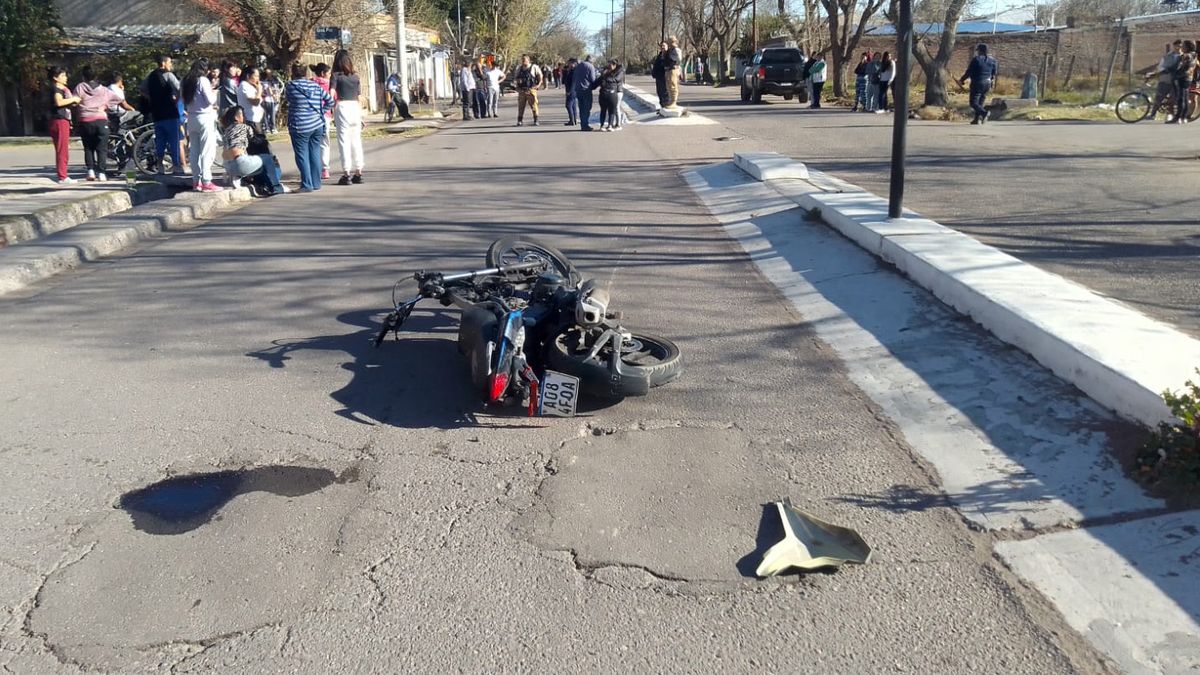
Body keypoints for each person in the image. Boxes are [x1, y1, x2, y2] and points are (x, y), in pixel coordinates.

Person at [286, 63, 333, 192]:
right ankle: (316, 182)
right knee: (315, 152)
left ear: (293, 73)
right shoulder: (315, 86)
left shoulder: (290, 86)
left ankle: (306, 184)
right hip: (317, 123)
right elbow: (330, 100)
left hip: (299, 124)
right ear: (306, 73)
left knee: (302, 154)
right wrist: (321, 111)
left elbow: (288, 100)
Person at [221, 105, 285, 195]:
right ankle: (276, 187)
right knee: (267, 158)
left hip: (227, 166)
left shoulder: (226, 130)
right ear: (236, 117)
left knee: (255, 163)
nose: (244, 117)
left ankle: (238, 177)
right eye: (242, 115)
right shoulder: (244, 127)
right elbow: (254, 139)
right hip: (240, 162)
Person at [73, 66, 122, 182]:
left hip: (85, 120)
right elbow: (119, 99)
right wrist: (105, 105)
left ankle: (90, 171)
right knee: (102, 148)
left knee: (88, 147)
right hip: (101, 120)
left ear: (83, 76)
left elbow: (74, 101)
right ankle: (101, 173)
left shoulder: (80, 87)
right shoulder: (104, 90)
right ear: (96, 77)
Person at [181, 59, 221, 191]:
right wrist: (214, 92)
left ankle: (196, 181)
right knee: (207, 151)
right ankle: (206, 181)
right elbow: (210, 100)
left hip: (191, 118)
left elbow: (183, 99)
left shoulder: (185, 81)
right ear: (204, 69)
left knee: (194, 151)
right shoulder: (203, 80)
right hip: (205, 117)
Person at [143, 54, 185, 174]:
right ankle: (176, 165)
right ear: (163, 63)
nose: (171, 65)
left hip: (157, 114)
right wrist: (175, 99)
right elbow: (179, 89)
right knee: (174, 140)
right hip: (170, 113)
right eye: (169, 63)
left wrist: (152, 98)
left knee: (160, 141)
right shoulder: (169, 75)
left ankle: (160, 164)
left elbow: (142, 88)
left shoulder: (150, 76)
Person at [331, 49, 366, 185]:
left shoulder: (336, 76)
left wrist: (330, 106)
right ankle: (359, 172)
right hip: (355, 108)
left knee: (344, 141)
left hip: (342, 106)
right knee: (356, 141)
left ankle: (346, 174)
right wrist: (362, 116)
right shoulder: (355, 77)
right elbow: (359, 97)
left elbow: (331, 92)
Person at [46, 67, 80, 184]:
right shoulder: (57, 89)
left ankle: (62, 174)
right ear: (55, 78)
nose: (66, 78)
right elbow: (59, 102)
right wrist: (73, 99)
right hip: (59, 120)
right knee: (62, 149)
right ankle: (63, 176)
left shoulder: (62, 89)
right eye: (63, 76)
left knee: (63, 148)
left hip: (62, 120)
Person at [959, 43, 998, 124]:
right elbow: (994, 73)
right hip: (988, 83)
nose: (977, 52)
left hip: (978, 82)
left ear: (980, 51)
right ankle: (977, 120)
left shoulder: (976, 59)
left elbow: (969, 72)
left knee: (973, 102)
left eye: (978, 50)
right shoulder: (993, 60)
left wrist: (962, 80)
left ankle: (984, 113)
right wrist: (991, 83)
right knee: (980, 103)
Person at [310, 63, 334, 179]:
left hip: (311, 115)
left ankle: (314, 168)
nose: (330, 75)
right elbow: (333, 99)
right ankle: (325, 169)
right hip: (325, 115)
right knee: (325, 143)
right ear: (323, 73)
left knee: (313, 142)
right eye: (329, 73)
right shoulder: (329, 85)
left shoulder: (310, 83)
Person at [592, 59, 625, 131]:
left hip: (606, 93)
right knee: (611, 110)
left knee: (606, 110)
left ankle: (605, 125)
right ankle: (609, 125)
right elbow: (617, 80)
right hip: (613, 93)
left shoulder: (604, 76)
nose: (609, 67)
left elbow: (594, 85)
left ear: (615, 65)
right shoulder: (613, 77)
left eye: (610, 65)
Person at [514, 54, 543, 126]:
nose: (523, 61)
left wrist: (538, 85)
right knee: (521, 106)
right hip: (522, 90)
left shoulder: (534, 67)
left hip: (531, 89)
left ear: (528, 60)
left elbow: (540, 76)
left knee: (534, 105)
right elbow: (516, 78)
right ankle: (520, 120)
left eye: (524, 60)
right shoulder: (519, 68)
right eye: (522, 60)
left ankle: (536, 120)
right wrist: (517, 87)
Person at [1173, 40, 1197, 124]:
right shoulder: (1194, 55)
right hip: (1189, 78)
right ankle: (1184, 117)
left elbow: (1182, 67)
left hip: (1182, 78)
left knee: (1181, 98)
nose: (1181, 47)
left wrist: (1175, 74)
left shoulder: (1186, 56)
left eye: (1183, 46)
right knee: (1185, 98)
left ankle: (1178, 117)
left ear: (1187, 47)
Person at [237, 66, 266, 133]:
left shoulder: (250, 86)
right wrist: (259, 90)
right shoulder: (244, 85)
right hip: (251, 120)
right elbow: (255, 102)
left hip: (256, 119)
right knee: (259, 142)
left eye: (258, 76)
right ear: (248, 76)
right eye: (255, 76)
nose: (257, 79)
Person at [574, 55, 598, 131]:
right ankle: (585, 125)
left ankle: (583, 124)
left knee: (581, 107)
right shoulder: (590, 67)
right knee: (587, 108)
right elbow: (593, 79)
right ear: (591, 60)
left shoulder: (578, 66)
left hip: (578, 89)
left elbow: (574, 77)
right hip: (586, 90)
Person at [665, 36, 683, 107]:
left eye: (670, 42)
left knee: (673, 85)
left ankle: (673, 101)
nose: (669, 44)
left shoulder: (676, 50)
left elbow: (678, 59)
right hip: (668, 69)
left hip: (673, 69)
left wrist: (676, 64)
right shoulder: (670, 50)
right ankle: (670, 100)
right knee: (668, 86)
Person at [261, 69, 280, 133]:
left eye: (270, 73)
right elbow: (266, 90)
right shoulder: (264, 82)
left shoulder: (275, 81)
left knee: (272, 114)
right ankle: (269, 128)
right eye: (268, 73)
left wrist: (277, 96)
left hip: (273, 100)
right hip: (267, 99)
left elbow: (277, 90)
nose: (270, 74)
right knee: (267, 114)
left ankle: (271, 127)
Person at [651, 42, 668, 107]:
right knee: (659, 92)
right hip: (658, 77)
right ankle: (662, 107)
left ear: (667, 47)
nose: (662, 47)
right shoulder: (659, 56)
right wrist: (654, 73)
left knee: (665, 93)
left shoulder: (668, 55)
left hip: (664, 77)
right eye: (661, 46)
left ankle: (666, 106)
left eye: (664, 46)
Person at [562, 58, 578, 126]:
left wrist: (569, 91)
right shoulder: (570, 70)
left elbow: (573, 82)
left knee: (568, 105)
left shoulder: (574, 71)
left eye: (569, 63)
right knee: (573, 105)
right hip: (572, 90)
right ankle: (574, 119)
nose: (568, 64)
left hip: (572, 90)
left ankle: (572, 120)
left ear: (574, 63)